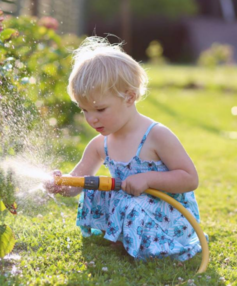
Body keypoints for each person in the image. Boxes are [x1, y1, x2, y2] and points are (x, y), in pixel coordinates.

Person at [45, 36, 204, 261]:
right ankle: (121, 237)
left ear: (129, 97)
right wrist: (63, 184)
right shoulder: (101, 144)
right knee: (96, 188)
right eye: (84, 110)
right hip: (134, 206)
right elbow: (79, 181)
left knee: (133, 202)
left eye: (100, 109)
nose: (91, 119)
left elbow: (190, 179)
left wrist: (148, 179)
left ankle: (152, 246)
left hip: (169, 219)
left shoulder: (156, 136)